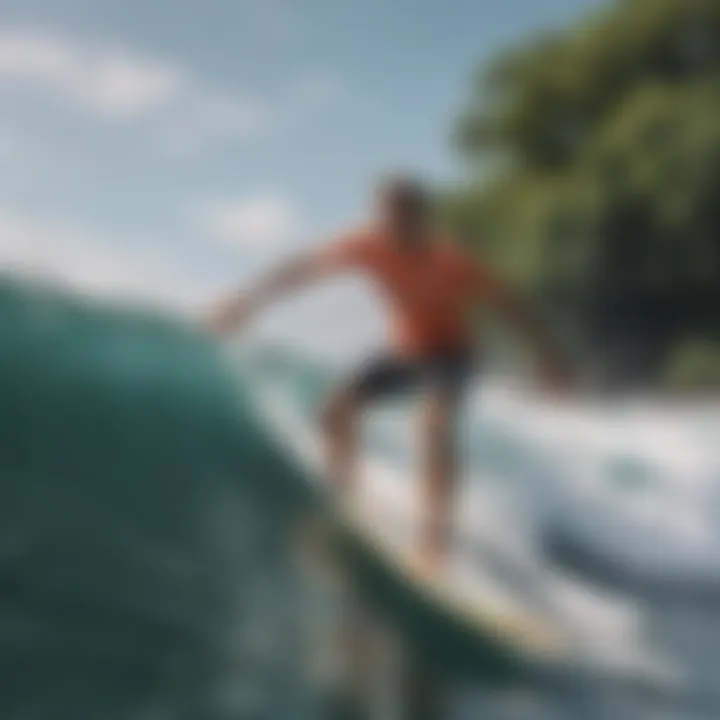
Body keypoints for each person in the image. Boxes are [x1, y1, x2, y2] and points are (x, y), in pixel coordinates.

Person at [207, 175, 570, 576]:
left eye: (401, 218)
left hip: (452, 355)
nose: (391, 227)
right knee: (335, 411)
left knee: (433, 428)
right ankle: (343, 499)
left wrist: (548, 360)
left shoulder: (453, 262)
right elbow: (300, 269)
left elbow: (512, 307)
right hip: (403, 351)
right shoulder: (366, 243)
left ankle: (434, 541)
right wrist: (246, 301)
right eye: (385, 217)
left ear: (421, 219)